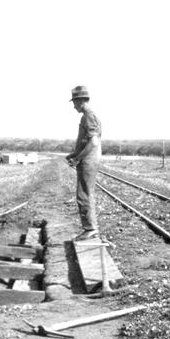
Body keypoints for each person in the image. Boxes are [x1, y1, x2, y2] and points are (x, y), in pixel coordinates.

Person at [65, 85, 102, 241]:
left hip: (88, 161)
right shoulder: (87, 116)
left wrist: (78, 158)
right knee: (85, 193)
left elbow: (93, 142)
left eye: (74, 102)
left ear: (80, 101)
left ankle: (90, 229)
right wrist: (75, 154)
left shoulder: (89, 116)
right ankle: (91, 228)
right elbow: (86, 141)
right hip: (87, 159)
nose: (74, 106)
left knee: (83, 194)